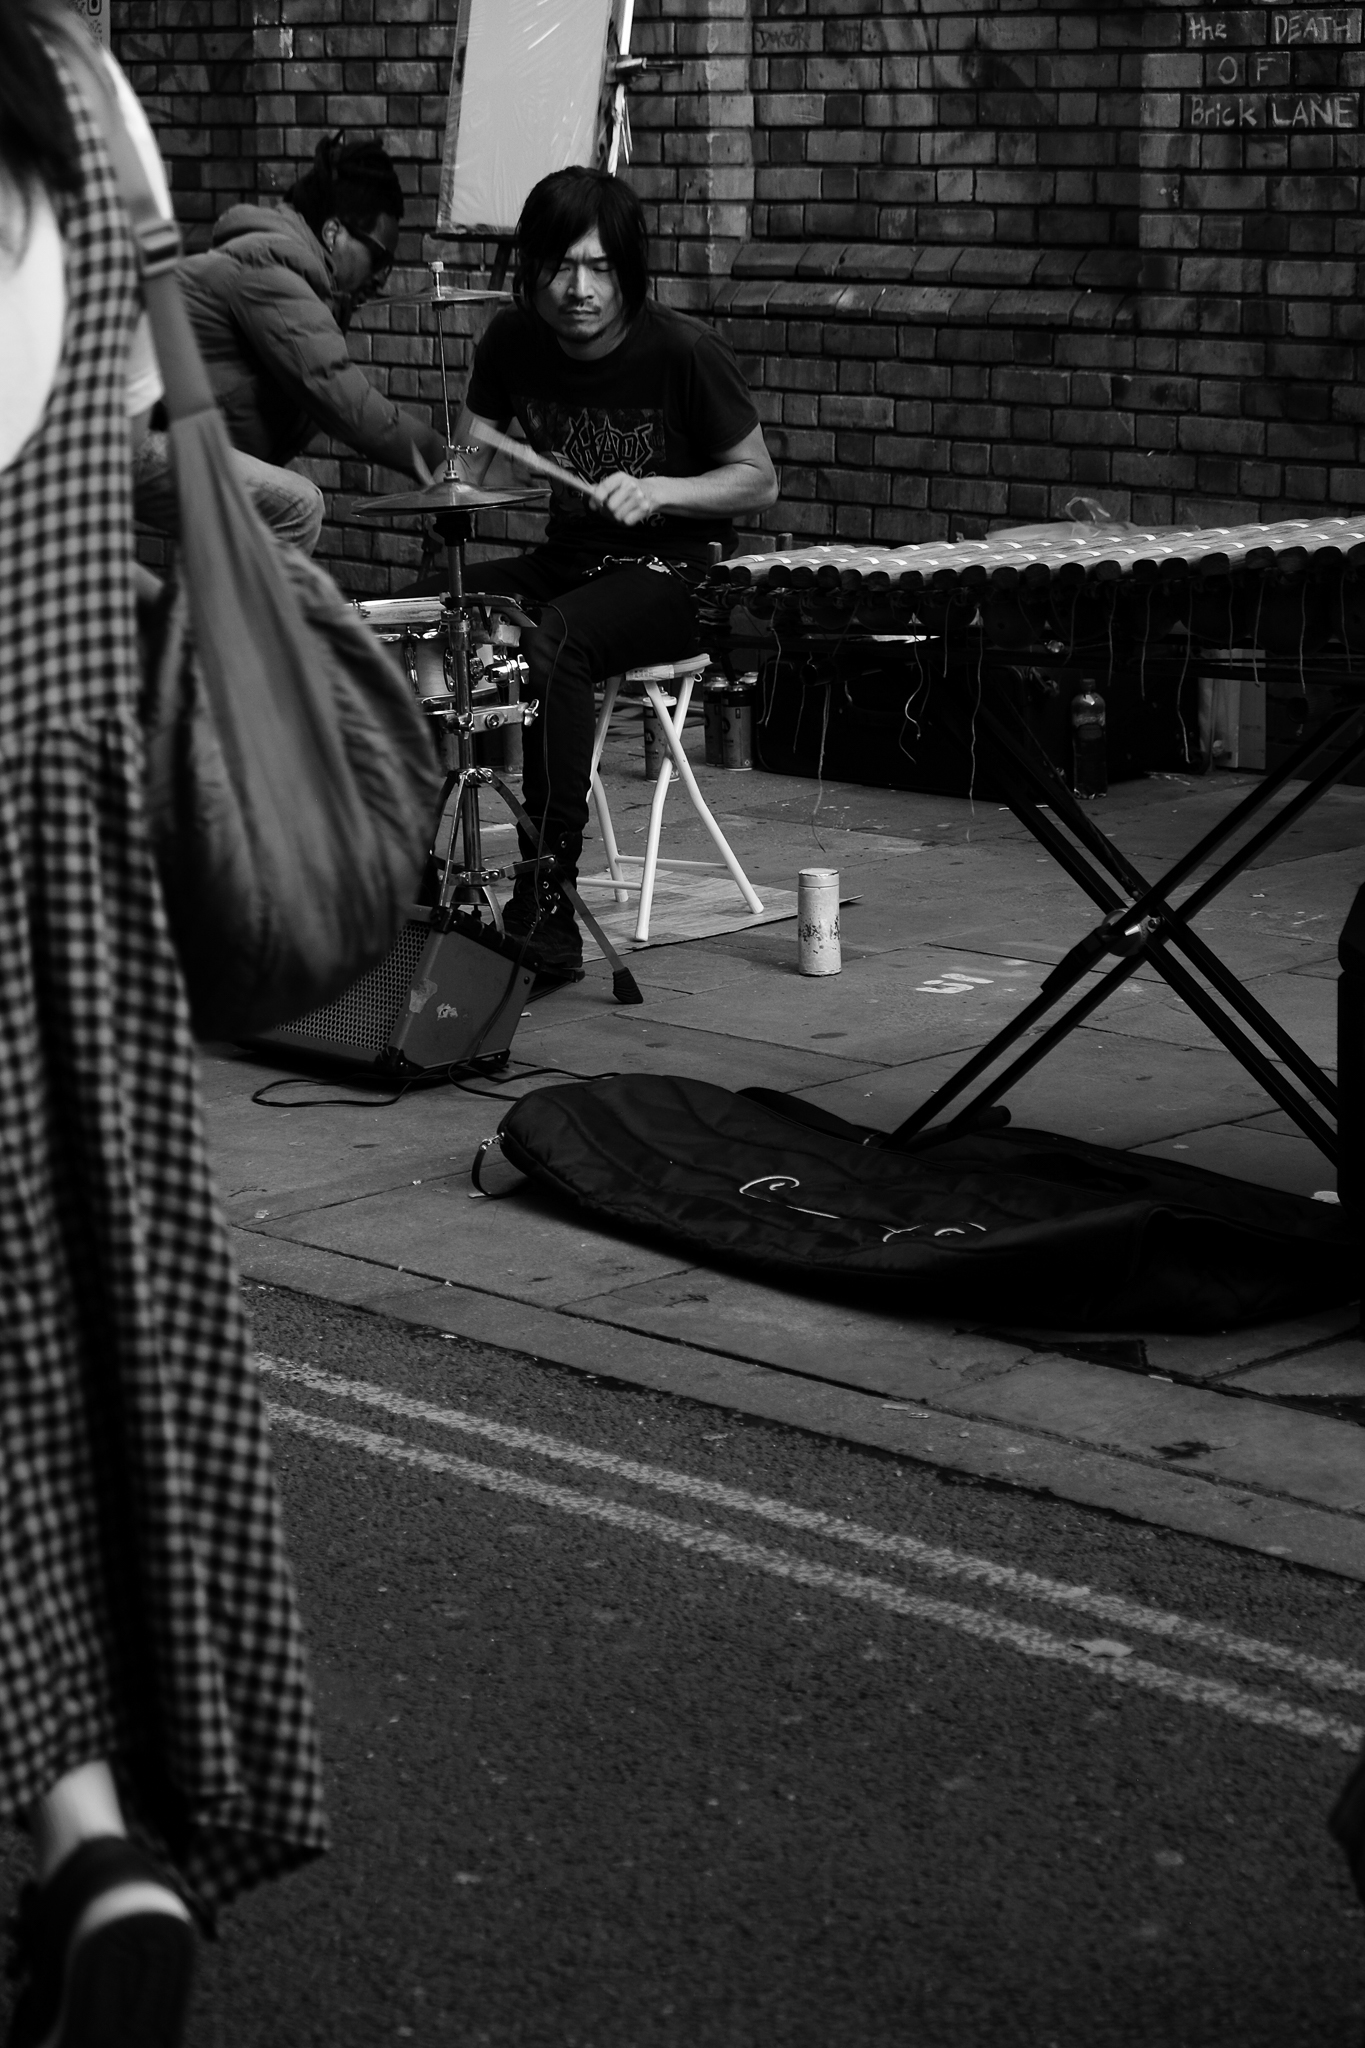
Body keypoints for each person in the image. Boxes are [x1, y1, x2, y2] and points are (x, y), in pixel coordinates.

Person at [0, 7, 326, 2043]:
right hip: (65, 814)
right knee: (82, 1322)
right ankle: (95, 1825)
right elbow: (96, 433)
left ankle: (89, 1836)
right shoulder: (86, 98)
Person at [446, 167, 779, 981]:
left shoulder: (682, 351)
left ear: (629, 271)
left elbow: (758, 480)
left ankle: (547, 898)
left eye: (598, 268)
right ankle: (410, 856)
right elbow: (472, 465)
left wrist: (662, 487)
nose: (579, 288)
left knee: (555, 640)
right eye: (560, 267)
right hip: (571, 559)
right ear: (529, 271)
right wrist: (461, 475)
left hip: (678, 573)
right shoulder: (511, 342)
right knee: (438, 601)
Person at [133, 132, 446, 553]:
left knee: (246, 538)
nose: (381, 277)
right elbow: (342, 397)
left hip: (156, 434)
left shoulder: (296, 280)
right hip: (118, 433)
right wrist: (437, 453)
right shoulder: (269, 270)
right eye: (378, 256)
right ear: (333, 232)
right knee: (296, 506)